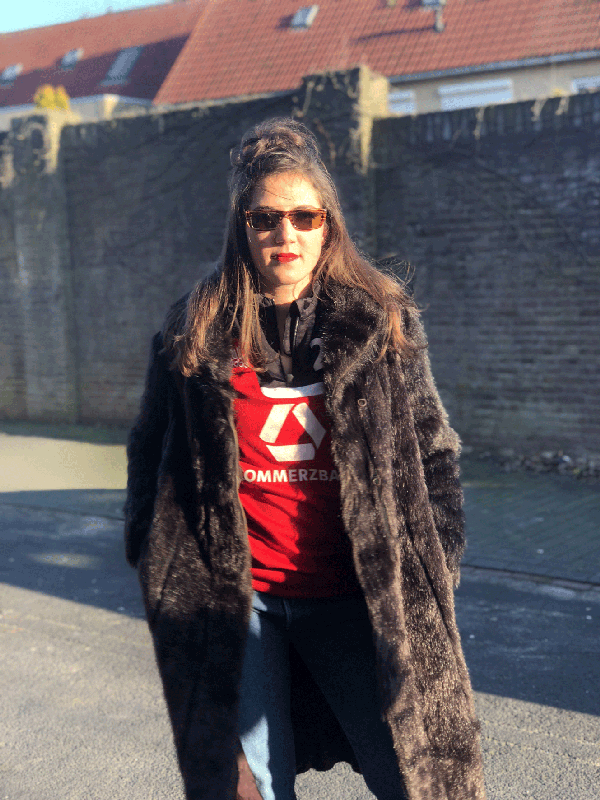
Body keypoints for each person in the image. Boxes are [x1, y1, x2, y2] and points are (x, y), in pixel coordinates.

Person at [124, 118, 486, 800]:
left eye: (303, 216)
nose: (284, 234)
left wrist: (433, 564)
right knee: (251, 786)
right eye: (265, 218)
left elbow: (434, 453)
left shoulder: (381, 323)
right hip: (239, 605)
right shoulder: (193, 330)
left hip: (357, 596)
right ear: (243, 228)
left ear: (327, 226)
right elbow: (150, 458)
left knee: (413, 777)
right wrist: (160, 568)